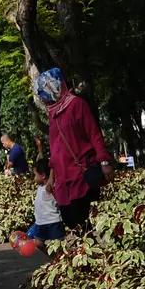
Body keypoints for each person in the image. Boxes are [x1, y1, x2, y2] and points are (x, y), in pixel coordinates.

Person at [34, 68, 113, 228]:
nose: (43, 99)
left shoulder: (77, 104)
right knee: (70, 222)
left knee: (83, 222)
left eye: (44, 93)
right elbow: (55, 149)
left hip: (80, 175)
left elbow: (94, 134)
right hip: (63, 181)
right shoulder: (53, 113)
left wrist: (104, 161)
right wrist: (51, 177)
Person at [26, 160, 65, 243]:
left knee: (58, 245)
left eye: (35, 175)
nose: (34, 178)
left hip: (54, 223)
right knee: (38, 243)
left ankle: (58, 255)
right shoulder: (40, 187)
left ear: (43, 175)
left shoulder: (51, 187)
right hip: (40, 223)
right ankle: (51, 255)